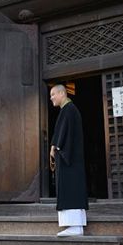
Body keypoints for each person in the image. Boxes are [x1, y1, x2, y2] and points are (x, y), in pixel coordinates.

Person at [49, 84, 89, 236]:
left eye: (53, 94)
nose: (51, 97)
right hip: (69, 158)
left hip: (69, 159)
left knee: (71, 189)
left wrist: (56, 147)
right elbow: (62, 131)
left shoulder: (69, 110)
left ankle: (75, 226)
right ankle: (75, 225)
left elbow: (65, 134)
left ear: (61, 93)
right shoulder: (67, 110)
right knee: (71, 189)